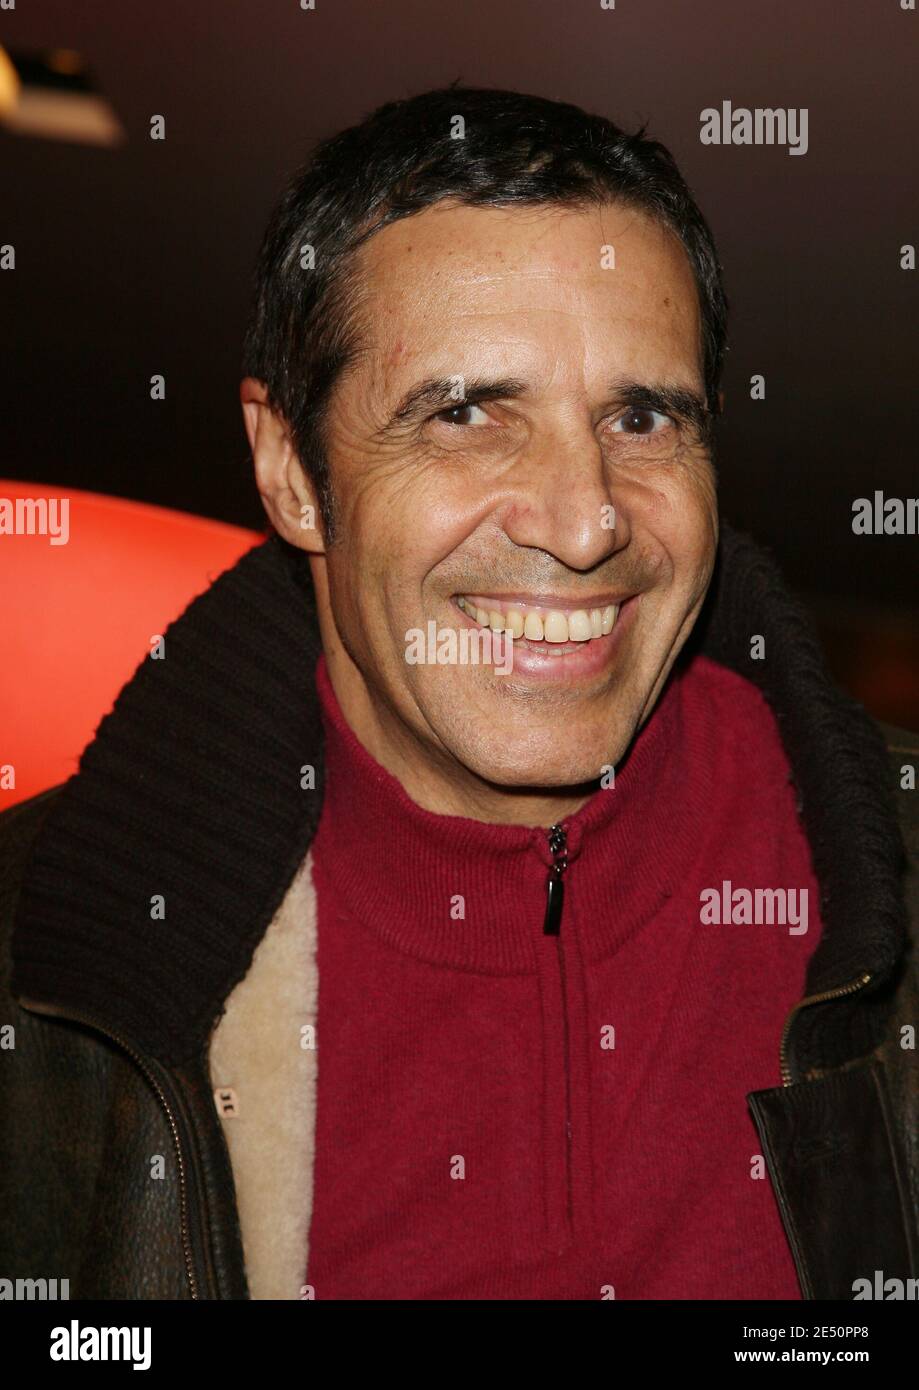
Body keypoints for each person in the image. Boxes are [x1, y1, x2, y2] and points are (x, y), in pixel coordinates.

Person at [1, 85, 917, 1301]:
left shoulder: (891, 877)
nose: (585, 522)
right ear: (289, 470)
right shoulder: (43, 969)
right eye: (469, 413)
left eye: (640, 417)